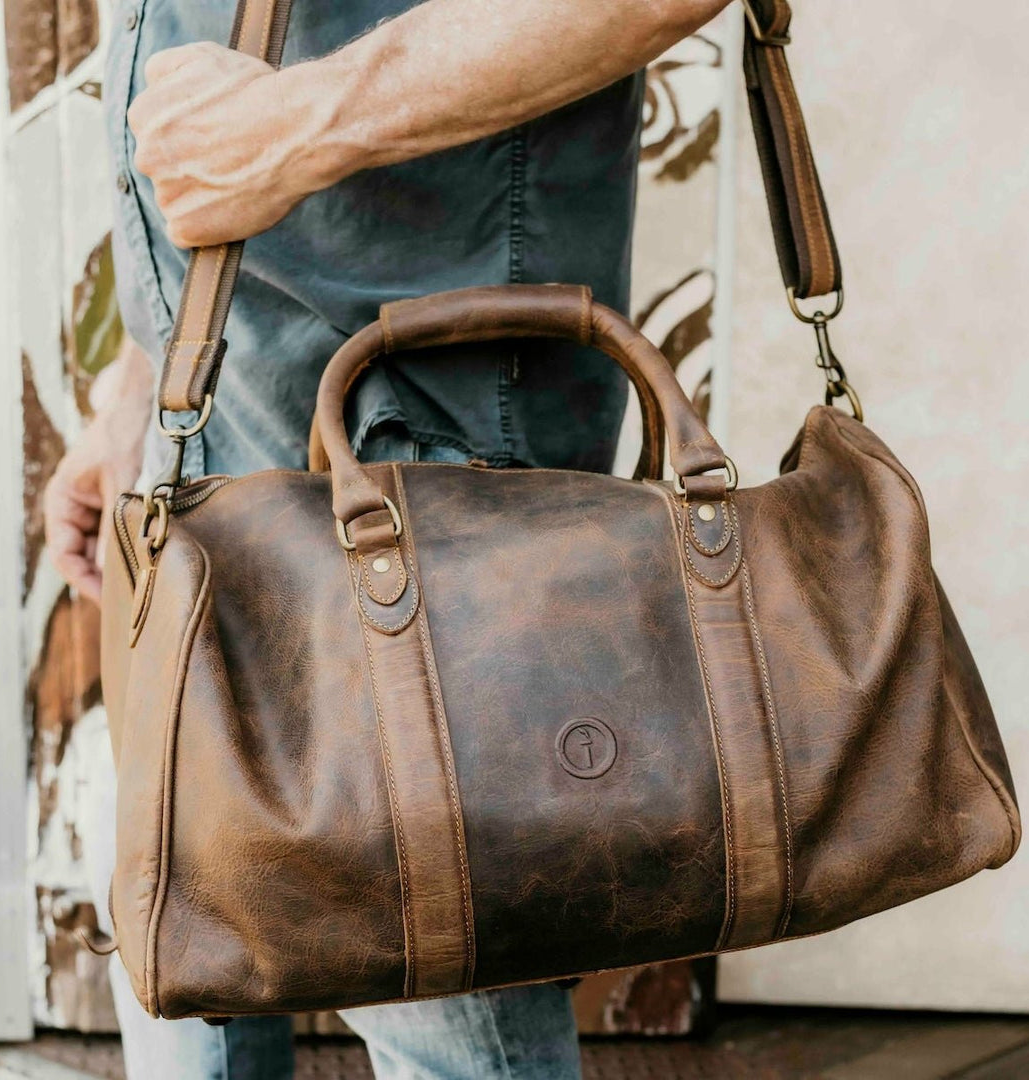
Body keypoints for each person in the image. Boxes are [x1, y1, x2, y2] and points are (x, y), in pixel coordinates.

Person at [45, 0, 731, 1076]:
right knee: (181, 943)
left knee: (445, 1012)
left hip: (415, 440)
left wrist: (299, 122)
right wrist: (142, 389)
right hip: (211, 439)